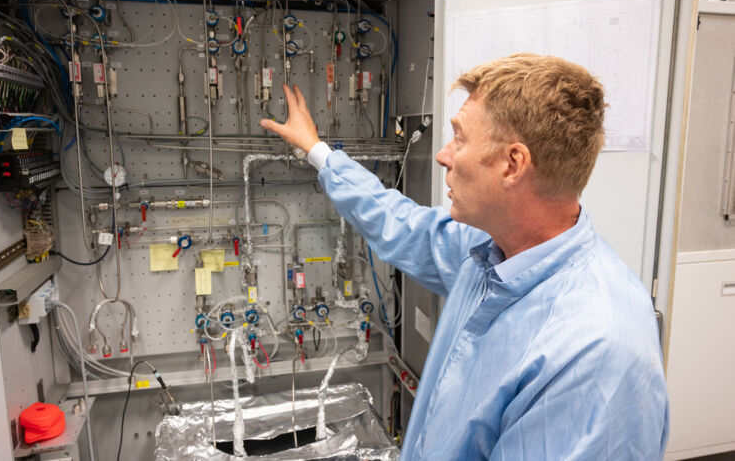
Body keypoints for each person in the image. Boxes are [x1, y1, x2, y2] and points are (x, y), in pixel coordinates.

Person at [260, 53, 669, 460]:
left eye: (459, 137)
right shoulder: (489, 252)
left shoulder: (595, 352)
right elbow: (400, 222)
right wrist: (316, 150)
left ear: (513, 164)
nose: (443, 155)